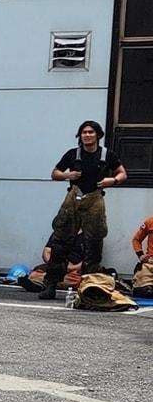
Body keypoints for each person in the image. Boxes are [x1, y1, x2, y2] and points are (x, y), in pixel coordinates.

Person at [43, 120, 126, 295]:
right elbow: (54, 173)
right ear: (80, 135)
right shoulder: (73, 154)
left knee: (94, 243)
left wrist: (113, 180)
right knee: (60, 242)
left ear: (98, 135)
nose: (87, 135)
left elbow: (123, 173)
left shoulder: (107, 155)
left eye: (90, 132)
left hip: (95, 199)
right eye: (84, 132)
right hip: (73, 198)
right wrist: (67, 175)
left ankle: (89, 286)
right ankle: (51, 285)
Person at [132, 213, 153, 295]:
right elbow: (136, 239)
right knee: (143, 290)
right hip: (150, 264)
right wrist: (140, 255)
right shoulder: (150, 222)